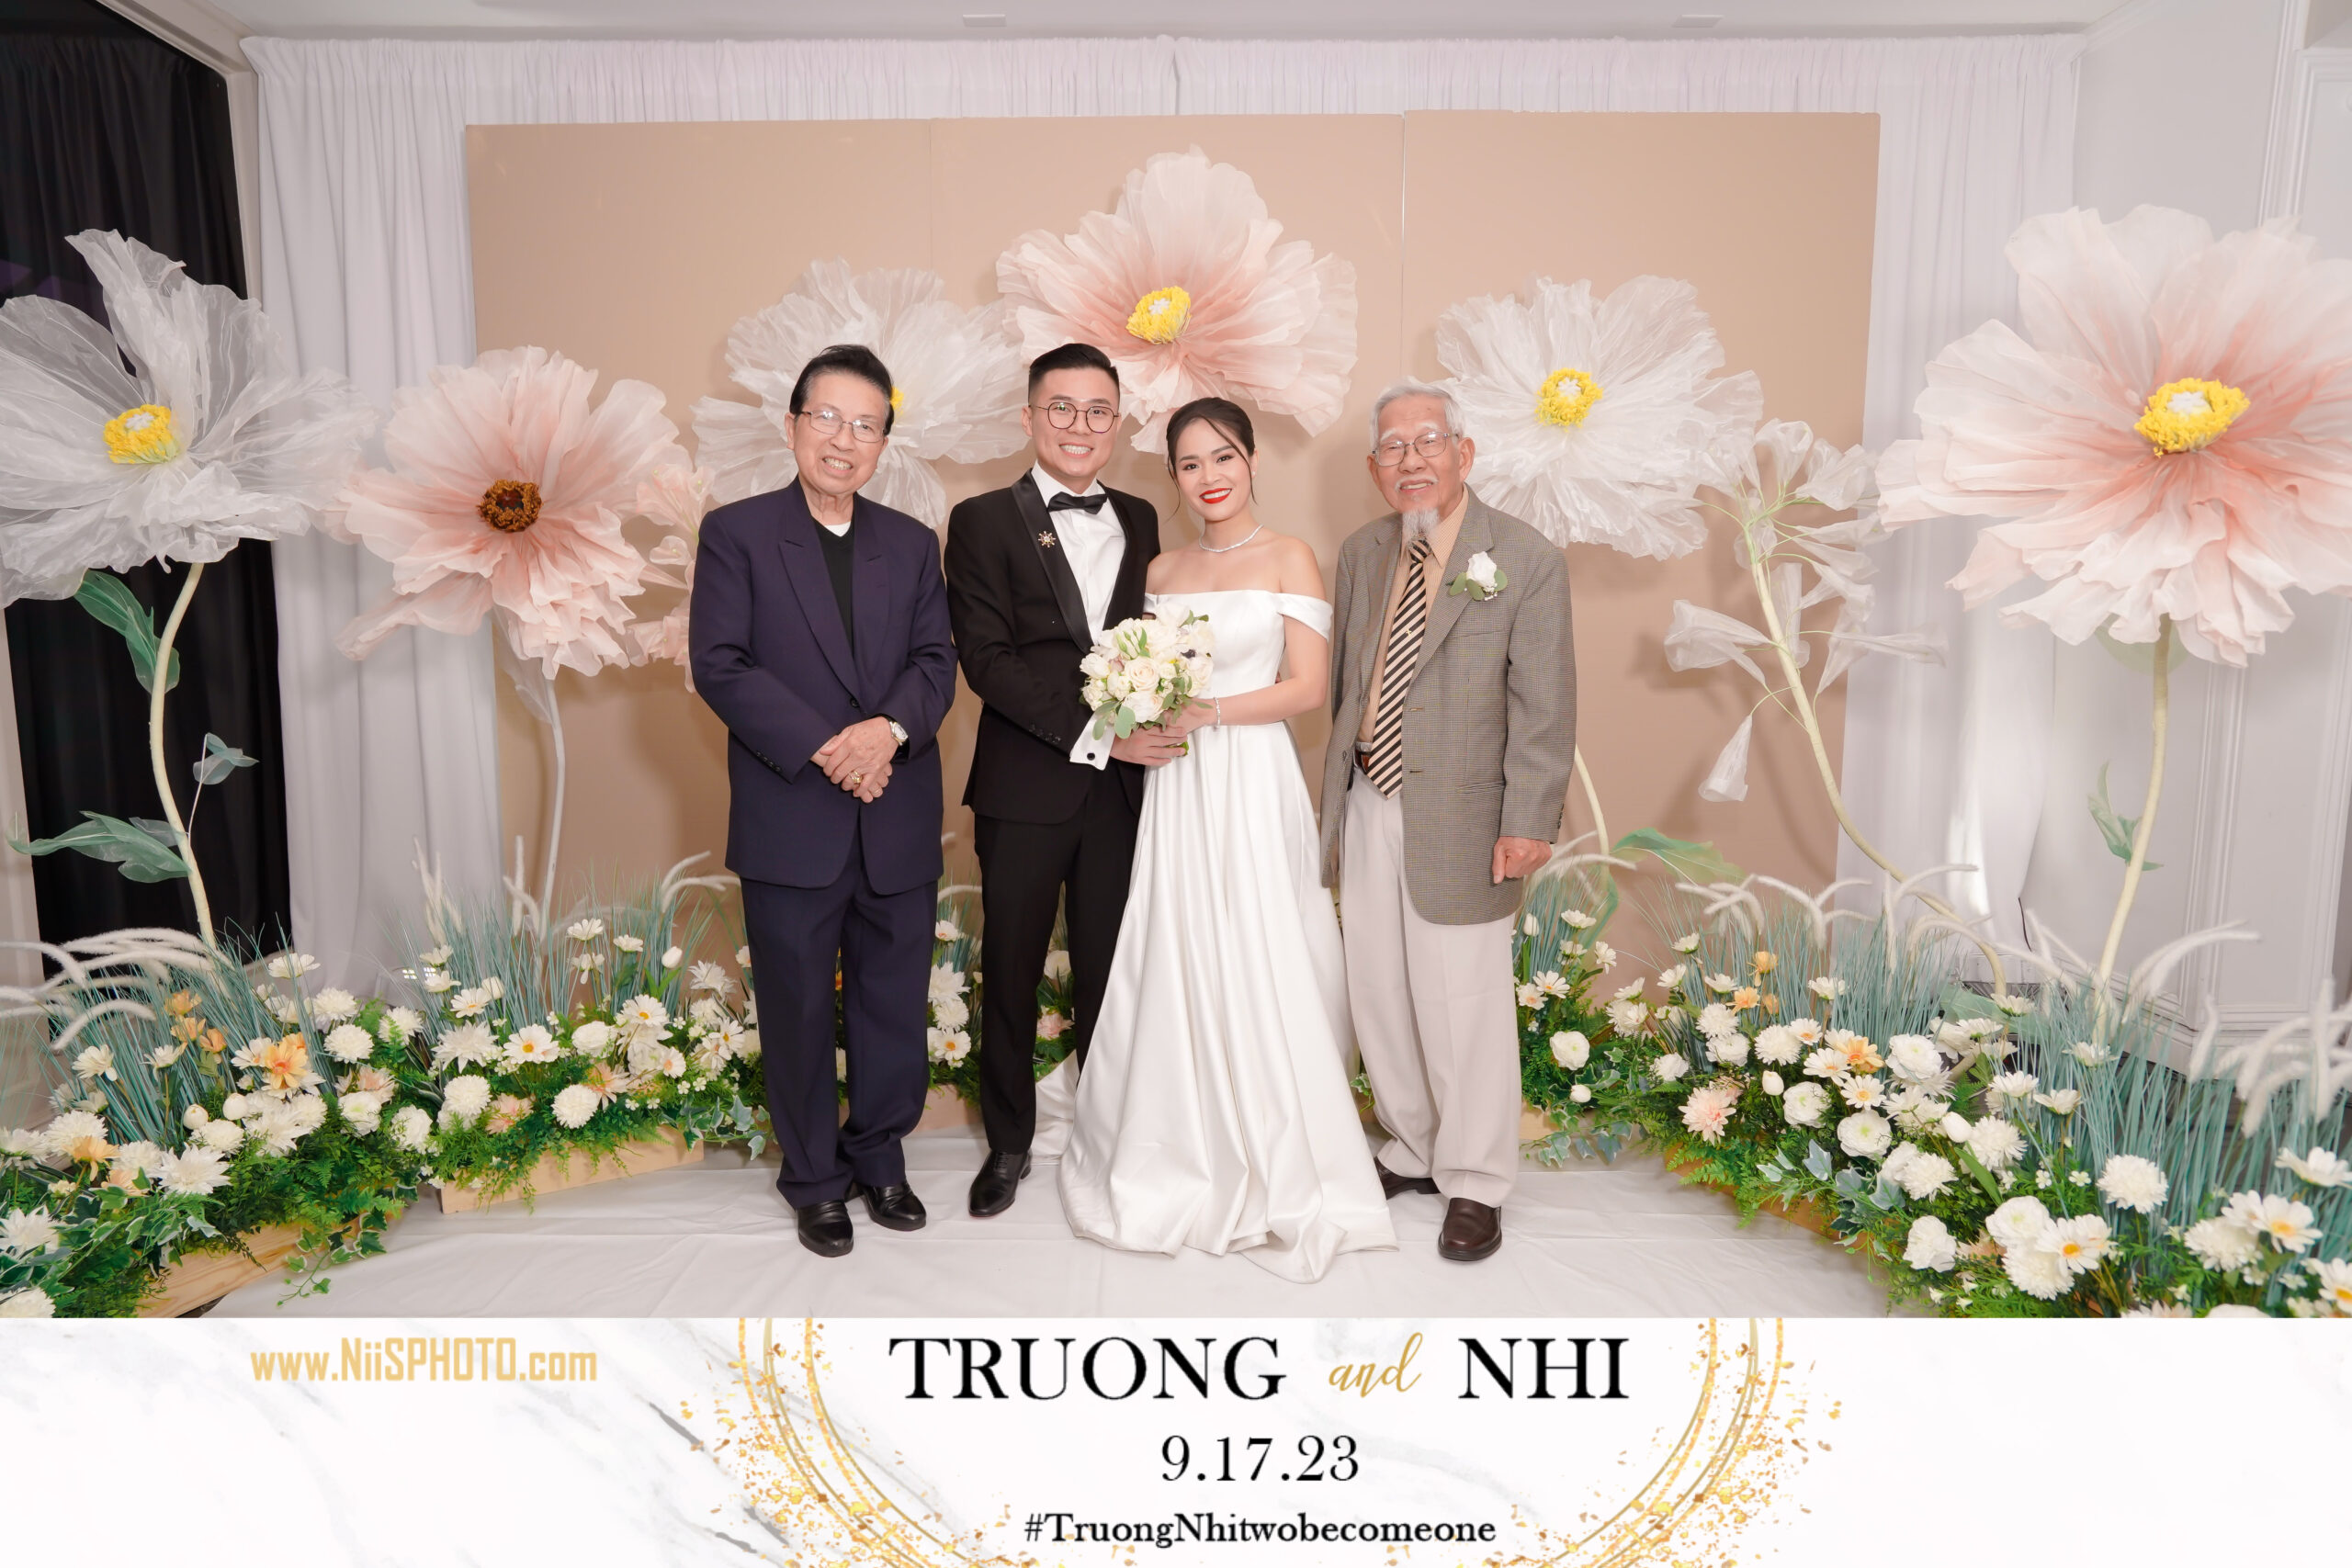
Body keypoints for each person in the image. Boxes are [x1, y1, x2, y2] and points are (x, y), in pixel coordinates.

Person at [1058, 397, 1396, 1281]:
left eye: (1223, 457)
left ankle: (1277, 1142)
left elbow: (1308, 688)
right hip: (1177, 782)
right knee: (1179, 938)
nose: (1208, 477)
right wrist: (1143, 708)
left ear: (1250, 460)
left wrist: (1204, 710)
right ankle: (1180, 1134)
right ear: (1172, 476)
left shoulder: (1290, 555)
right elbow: (1137, 674)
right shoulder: (1162, 569)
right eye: (1189, 463)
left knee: (1259, 935)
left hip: (1250, 774)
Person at [690, 343, 957, 1258]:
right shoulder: (737, 534)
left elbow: (936, 662)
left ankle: (879, 1157)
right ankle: (812, 1180)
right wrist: (831, 748)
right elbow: (721, 665)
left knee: (892, 1003)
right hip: (792, 815)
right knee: (797, 1008)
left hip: (895, 809)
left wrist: (886, 733)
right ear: (793, 425)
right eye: (828, 419)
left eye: (866, 425)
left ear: (884, 442)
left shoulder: (911, 544)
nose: (844, 440)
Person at [1320, 380, 1576, 1264]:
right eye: (1393, 447)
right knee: (1380, 990)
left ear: (1464, 453)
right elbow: (1349, 685)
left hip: (1467, 813)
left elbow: (1544, 705)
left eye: (1428, 440)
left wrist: (1529, 817)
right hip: (1368, 796)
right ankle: (1413, 1143)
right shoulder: (1361, 552)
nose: (1412, 459)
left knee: (1462, 1002)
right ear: (1374, 467)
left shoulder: (1526, 557)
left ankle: (1475, 1179)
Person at [944, 343, 1177, 1217]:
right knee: (1010, 968)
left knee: (1112, 968)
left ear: (1116, 422)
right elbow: (987, 660)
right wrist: (1103, 736)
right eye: (1062, 408)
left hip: (1122, 796)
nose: (1081, 426)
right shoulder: (981, 519)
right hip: (1026, 785)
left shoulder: (1143, 517)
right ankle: (1008, 1143)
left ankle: (1110, 1134)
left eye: (1098, 410)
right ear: (1030, 417)